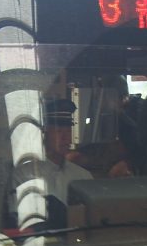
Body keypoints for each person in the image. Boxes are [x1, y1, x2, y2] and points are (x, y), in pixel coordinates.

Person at [7, 97, 93, 232]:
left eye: (68, 131)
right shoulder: (24, 174)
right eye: (59, 132)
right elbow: (20, 222)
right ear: (44, 134)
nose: (65, 138)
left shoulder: (82, 176)